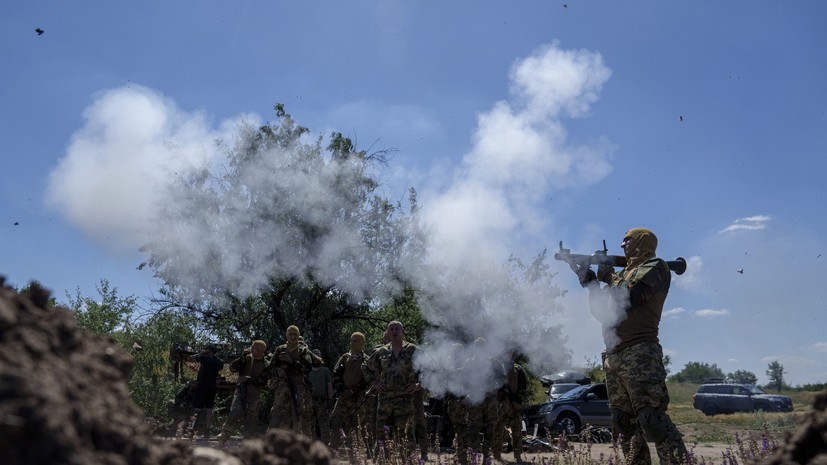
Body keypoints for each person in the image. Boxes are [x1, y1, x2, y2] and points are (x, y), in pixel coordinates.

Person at [571, 227, 688, 465]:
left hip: (640, 352)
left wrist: (607, 277)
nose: (622, 245)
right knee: (623, 424)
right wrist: (591, 283)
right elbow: (603, 313)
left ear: (642, 242)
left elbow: (630, 297)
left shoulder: (655, 267)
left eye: (627, 240)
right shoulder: (625, 274)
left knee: (651, 418)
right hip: (614, 355)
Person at [362, 321, 424, 461]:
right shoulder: (381, 351)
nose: (394, 331)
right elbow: (365, 366)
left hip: (405, 403)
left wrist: (418, 384)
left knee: (407, 439)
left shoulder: (413, 350)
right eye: (391, 329)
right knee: (382, 439)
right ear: (388, 332)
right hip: (385, 403)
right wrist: (374, 382)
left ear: (402, 331)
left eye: (397, 328)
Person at [216, 340, 269, 445]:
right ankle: (224, 435)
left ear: (261, 350)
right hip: (240, 391)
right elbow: (232, 368)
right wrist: (241, 357)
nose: (253, 349)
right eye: (252, 347)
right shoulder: (246, 359)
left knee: (251, 418)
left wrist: (249, 379)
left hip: (254, 394)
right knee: (234, 412)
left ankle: (248, 441)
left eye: (256, 348)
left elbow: (264, 380)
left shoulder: (266, 363)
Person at [329, 332, 371, 459]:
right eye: (352, 340)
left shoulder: (367, 360)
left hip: (359, 399)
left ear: (362, 343)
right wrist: (342, 390)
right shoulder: (344, 357)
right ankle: (332, 452)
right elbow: (336, 374)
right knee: (335, 421)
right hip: (343, 398)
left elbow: (367, 380)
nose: (353, 343)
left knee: (358, 426)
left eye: (356, 340)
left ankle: (356, 455)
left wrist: (353, 391)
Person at [267, 325, 316, 434]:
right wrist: (279, 371)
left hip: (298, 387)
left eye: (295, 334)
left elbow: (307, 368)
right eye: (290, 334)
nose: (293, 336)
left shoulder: (303, 351)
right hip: (282, 386)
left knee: (300, 414)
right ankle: (272, 440)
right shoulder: (280, 349)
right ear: (286, 335)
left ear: (298, 335)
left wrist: (292, 361)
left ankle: (302, 443)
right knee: (277, 412)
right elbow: (271, 367)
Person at [464, 337, 504, 463]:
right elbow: (462, 380)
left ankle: (487, 456)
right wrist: (467, 394)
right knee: (473, 430)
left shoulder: (494, 363)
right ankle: (474, 457)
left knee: (490, 430)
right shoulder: (469, 362)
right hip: (475, 400)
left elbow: (502, 378)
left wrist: (493, 387)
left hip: (490, 401)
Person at [494, 350, 527, 463]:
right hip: (501, 405)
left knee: (517, 431)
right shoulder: (498, 368)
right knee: (497, 431)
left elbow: (523, 386)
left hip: (514, 406)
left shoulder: (518, 369)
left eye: (509, 352)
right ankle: (497, 455)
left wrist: (518, 401)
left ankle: (517, 456)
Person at [186, 345, 224, 439]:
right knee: (209, 409)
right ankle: (207, 430)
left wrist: (200, 353)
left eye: (206, 350)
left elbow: (189, 359)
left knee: (197, 408)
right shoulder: (219, 361)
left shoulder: (204, 358)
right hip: (212, 386)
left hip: (202, 386)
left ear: (209, 351)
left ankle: (192, 430)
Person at [308, 348, 334, 443]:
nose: (316, 359)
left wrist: (330, 400)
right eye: (314, 356)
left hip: (322, 402)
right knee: (310, 425)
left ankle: (326, 447)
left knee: (324, 425)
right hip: (309, 401)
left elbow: (329, 386)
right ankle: (310, 446)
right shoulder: (307, 371)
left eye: (318, 356)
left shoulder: (325, 370)